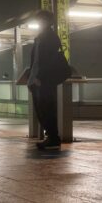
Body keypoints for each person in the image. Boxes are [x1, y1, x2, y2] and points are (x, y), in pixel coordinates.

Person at [27, 10, 62, 150]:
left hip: (44, 80)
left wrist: (41, 77)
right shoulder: (40, 38)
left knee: (47, 109)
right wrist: (31, 78)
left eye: (41, 20)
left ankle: (53, 138)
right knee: (41, 110)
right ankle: (51, 137)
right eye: (38, 20)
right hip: (35, 80)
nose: (39, 23)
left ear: (48, 21)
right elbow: (35, 61)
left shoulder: (51, 37)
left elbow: (50, 61)